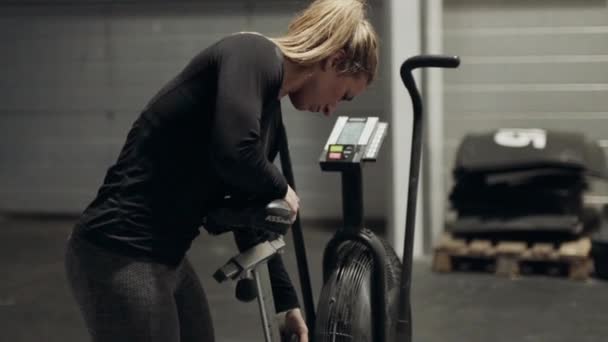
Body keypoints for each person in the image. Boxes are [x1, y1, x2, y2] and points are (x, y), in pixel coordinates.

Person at [64, 0, 379, 341]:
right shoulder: (252, 53)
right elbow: (235, 153)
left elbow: (253, 217)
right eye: (343, 95)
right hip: (119, 250)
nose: (331, 110)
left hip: (166, 256)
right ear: (334, 61)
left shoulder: (269, 113)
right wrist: (280, 187)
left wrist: (285, 304)